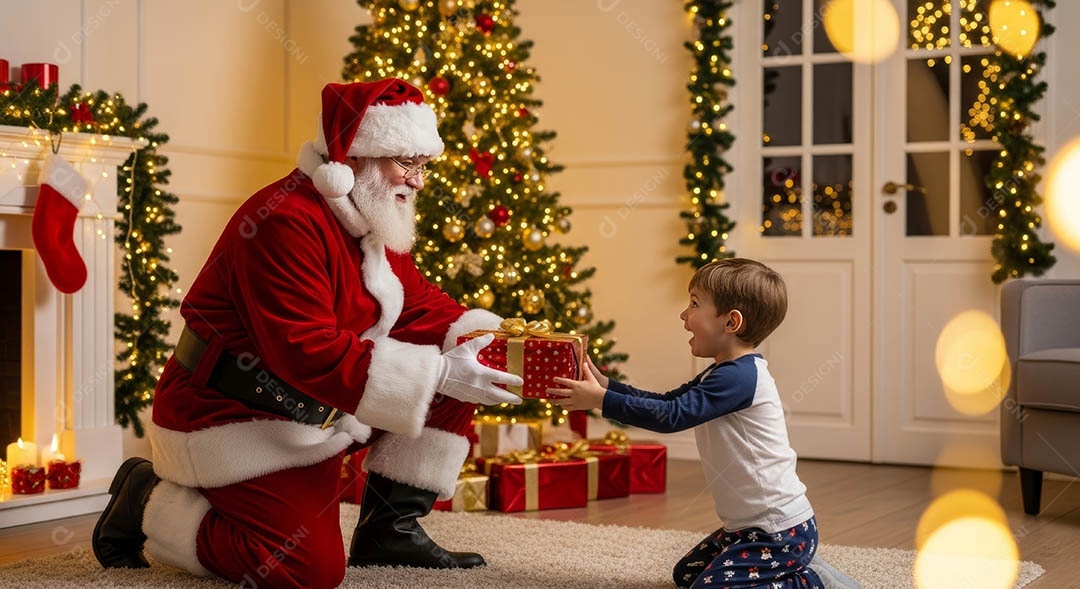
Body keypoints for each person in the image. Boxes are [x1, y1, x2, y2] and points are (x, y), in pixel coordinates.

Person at [91, 79, 524, 589]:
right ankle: (149, 501)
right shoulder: (283, 221)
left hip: (319, 407)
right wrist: (438, 374)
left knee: (460, 353)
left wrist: (503, 344)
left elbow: (420, 304)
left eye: (423, 165)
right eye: (405, 163)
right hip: (232, 415)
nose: (418, 181)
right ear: (357, 156)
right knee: (308, 571)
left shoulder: (366, 217)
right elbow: (303, 350)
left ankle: (391, 530)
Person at [549, 258, 859, 589]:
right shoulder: (722, 371)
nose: (684, 315)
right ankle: (797, 568)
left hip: (778, 530)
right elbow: (668, 401)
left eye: (694, 304)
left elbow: (672, 417)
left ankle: (811, 582)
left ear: (731, 322)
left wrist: (601, 401)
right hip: (746, 527)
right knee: (687, 574)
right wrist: (608, 387)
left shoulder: (740, 377)